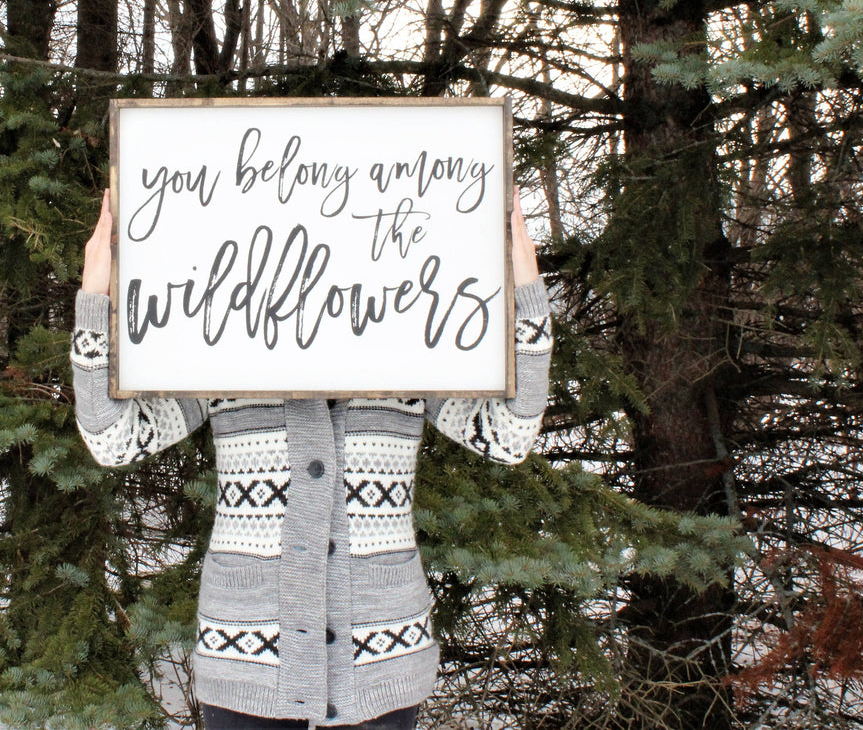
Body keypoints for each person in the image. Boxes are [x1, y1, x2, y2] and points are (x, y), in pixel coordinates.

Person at [71, 186, 553, 730]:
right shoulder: (225, 350)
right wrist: (96, 294)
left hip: (381, 658)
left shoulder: (411, 347)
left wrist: (525, 290)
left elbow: (509, 435)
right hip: (248, 658)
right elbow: (112, 438)